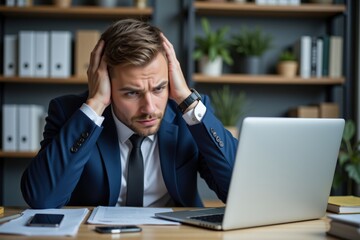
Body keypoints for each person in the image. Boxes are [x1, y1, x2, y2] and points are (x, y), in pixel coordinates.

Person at [21, 19, 238, 209]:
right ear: (104, 82)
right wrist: (96, 104)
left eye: (159, 88)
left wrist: (187, 100)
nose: (150, 108)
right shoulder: (71, 114)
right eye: (132, 93)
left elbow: (239, 190)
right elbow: (42, 199)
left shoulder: (189, 116)